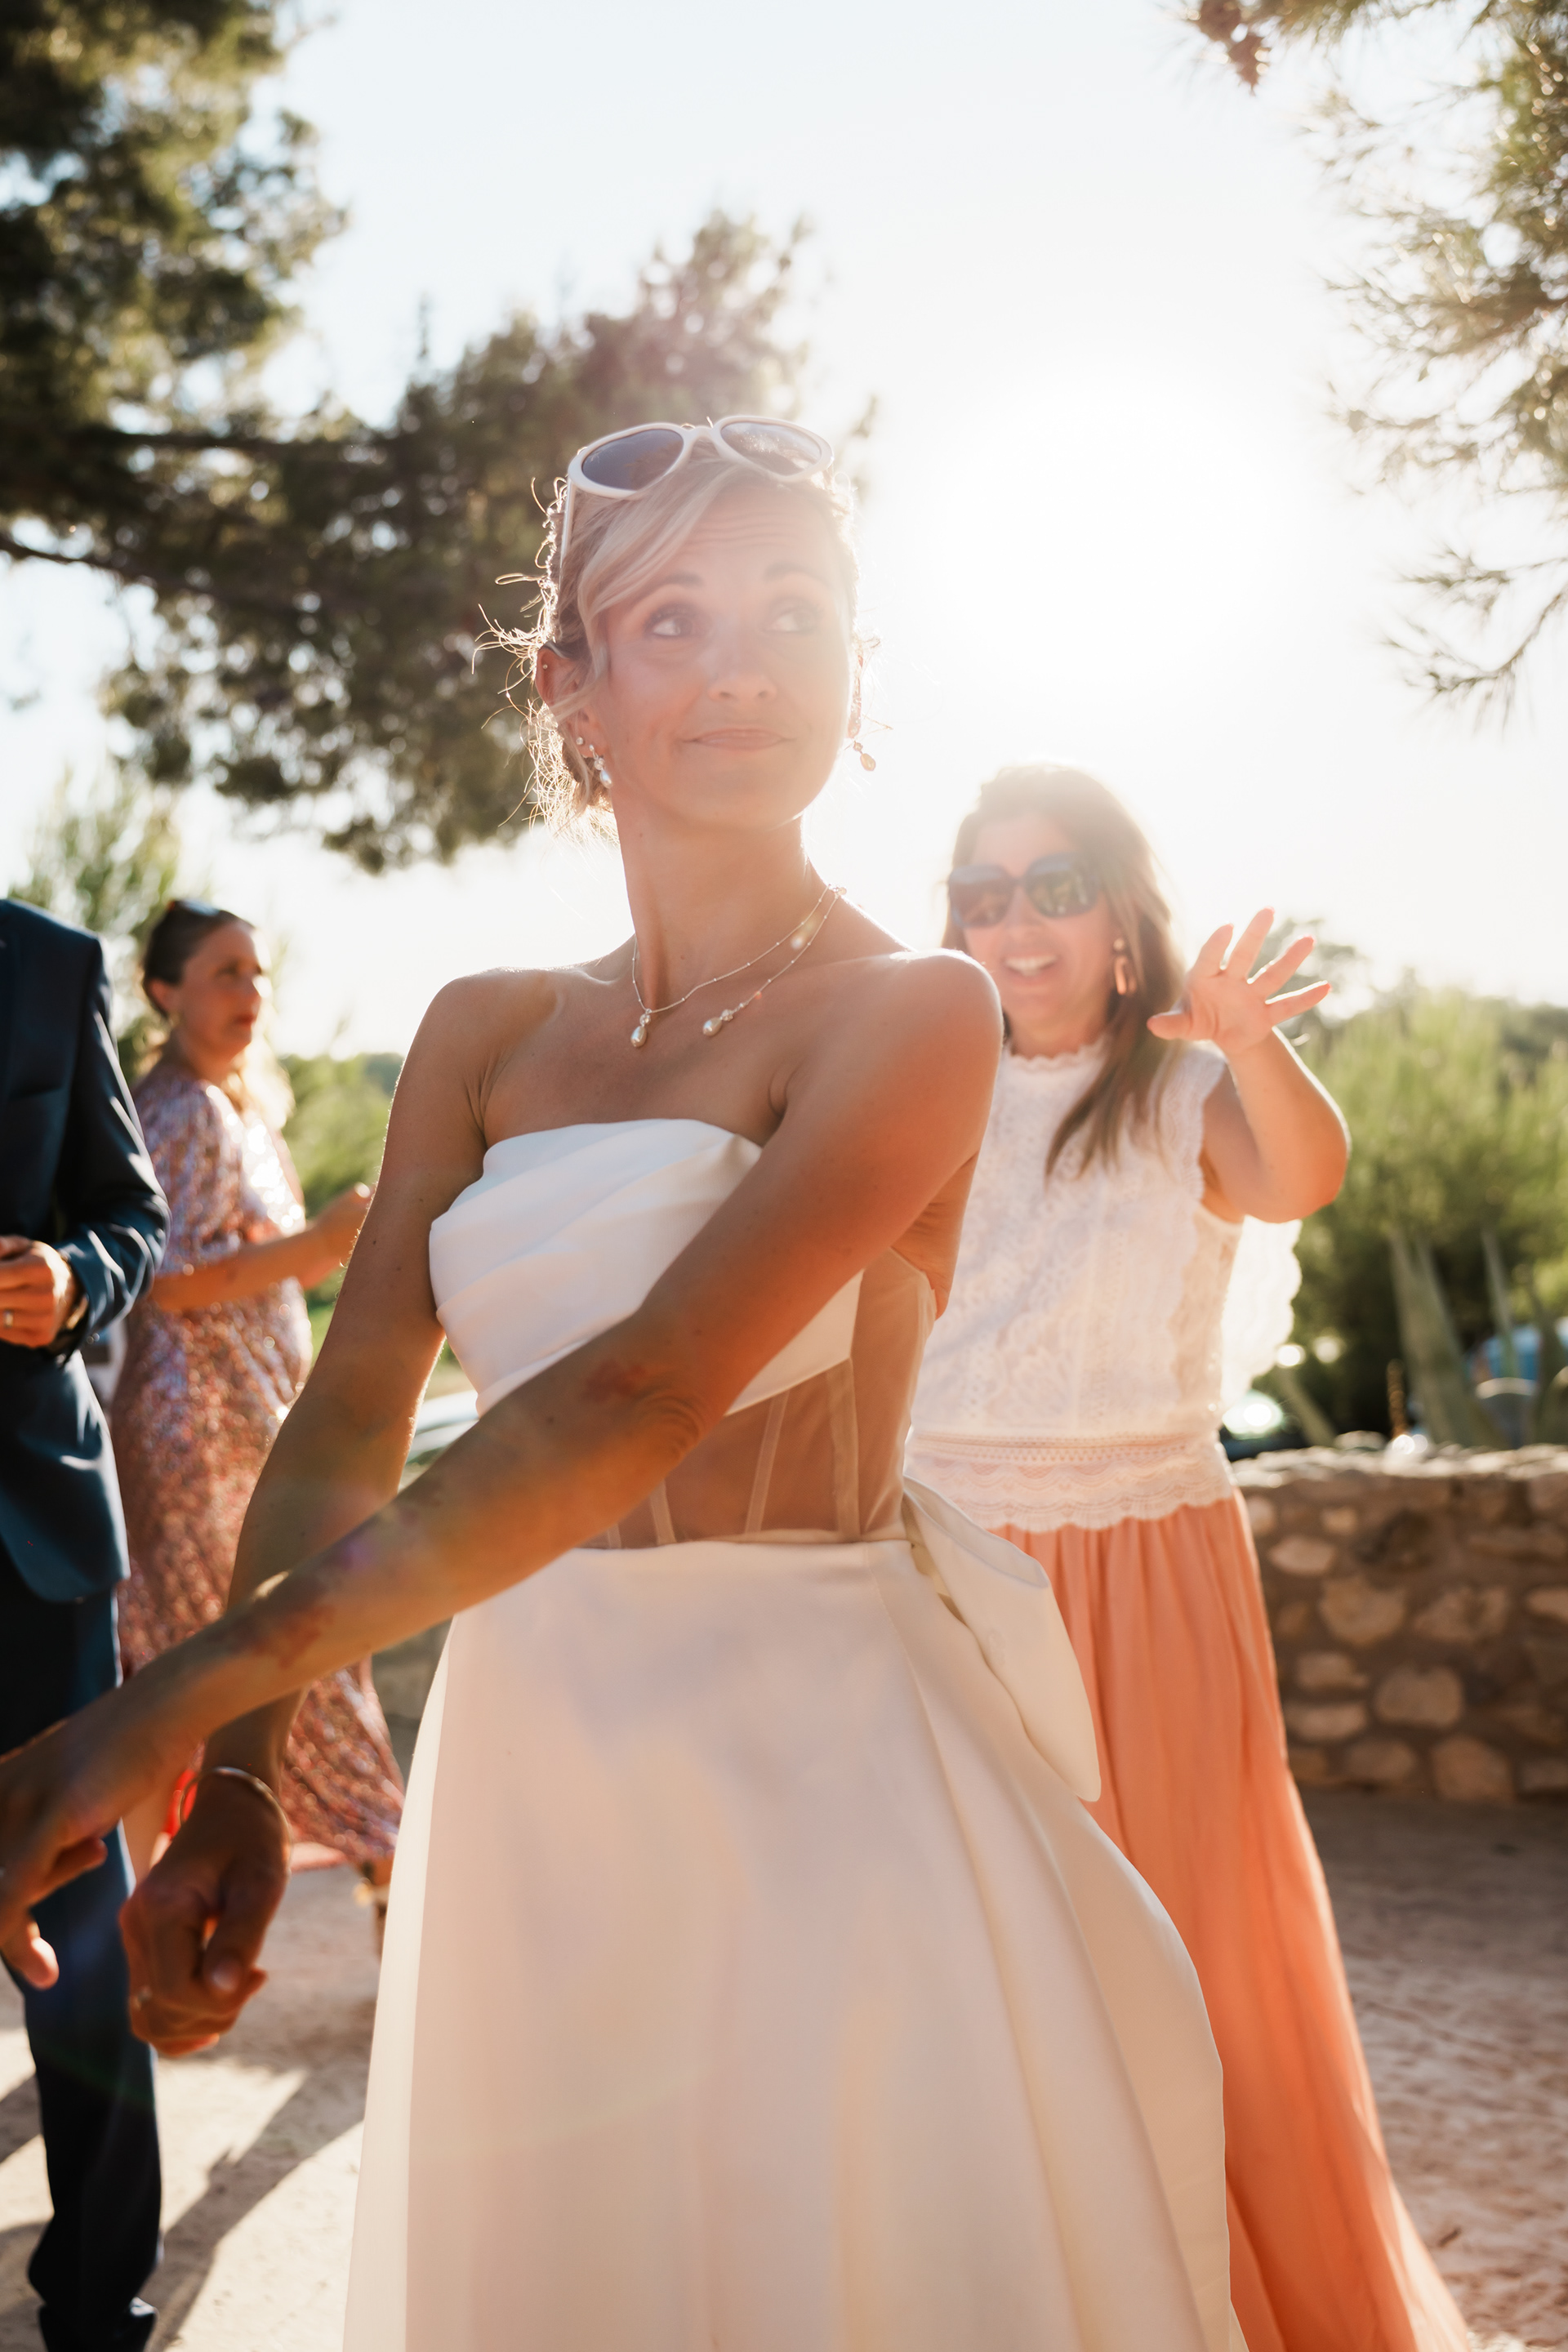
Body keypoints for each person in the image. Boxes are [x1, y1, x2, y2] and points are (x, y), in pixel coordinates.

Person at [3, 424, 1240, 2352]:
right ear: (568, 685)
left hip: (814, 1757)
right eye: (672, 616)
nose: (743, 662)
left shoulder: (909, 1009)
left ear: (854, 673)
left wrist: (142, 1717)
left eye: (793, 613)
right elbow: (345, 1422)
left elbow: (640, 1396)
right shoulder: (485, 1029)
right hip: (532, 1755)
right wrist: (234, 1781)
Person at [907, 763, 1468, 2352]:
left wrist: (1255, 1040)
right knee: (965, 1959)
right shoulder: (920, 1086)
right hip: (936, 1570)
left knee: (1180, 1949)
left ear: (1123, 933)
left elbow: (1303, 1177)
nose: (1015, 920)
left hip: (1141, 1571)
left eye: (1054, 887)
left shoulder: (1181, 1093)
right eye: (984, 889)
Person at [109, 900, 403, 1918]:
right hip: (201, 1437)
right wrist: (321, 1246)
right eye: (226, 972)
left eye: (259, 974)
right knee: (280, 1656)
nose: (251, 994)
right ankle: (396, 1892)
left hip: (245, 1421)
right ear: (164, 991)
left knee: (185, 1683)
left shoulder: (234, 1102)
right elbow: (171, 1277)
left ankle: (119, 1962)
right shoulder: (182, 1109)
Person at [0, 895, 167, 2352]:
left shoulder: (50, 965)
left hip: (32, 1534)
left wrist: (71, 1281)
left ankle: (101, 2298)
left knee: (80, 1931)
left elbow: (134, 1216)